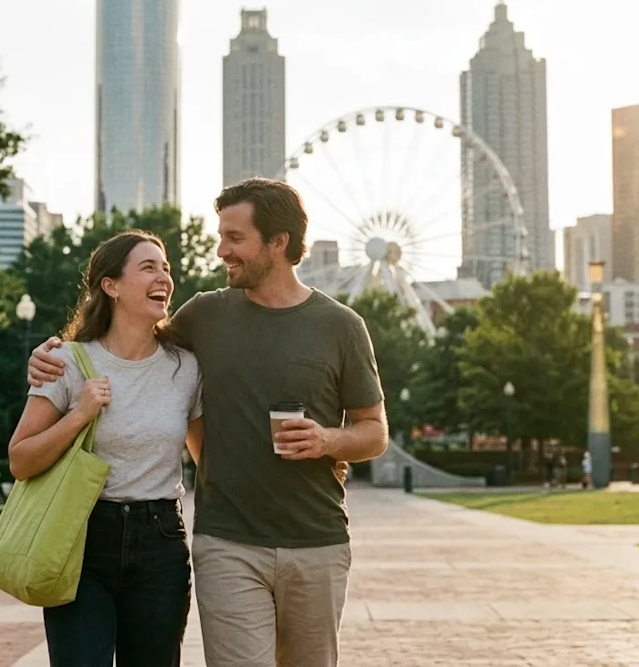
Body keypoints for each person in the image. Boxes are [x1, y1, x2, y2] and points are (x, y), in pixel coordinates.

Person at [30, 178, 389, 667]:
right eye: (221, 237)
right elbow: (130, 338)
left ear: (278, 242)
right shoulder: (204, 315)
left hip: (318, 539)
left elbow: (374, 432)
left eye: (234, 238)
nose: (222, 251)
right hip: (226, 543)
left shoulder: (342, 326)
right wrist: (52, 352)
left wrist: (328, 440)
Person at [8, 231, 203, 667]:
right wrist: (78, 416)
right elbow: (20, 459)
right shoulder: (68, 362)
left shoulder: (185, 367)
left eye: (166, 268)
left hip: (161, 544)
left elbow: (208, 460)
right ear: (110, 286)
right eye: (148, 267)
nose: (164, 278)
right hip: (82, 538)